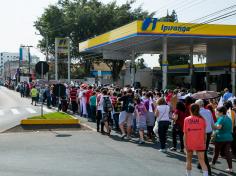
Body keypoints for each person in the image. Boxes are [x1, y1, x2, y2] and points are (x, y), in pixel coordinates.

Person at [184, 103, 208, 176]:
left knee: (189, 160)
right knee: (202, 161)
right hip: (200, 142)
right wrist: (204, 143)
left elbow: (185, 134)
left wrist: (185, 144)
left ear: (190, 110)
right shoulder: (202, 119)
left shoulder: (187, 119)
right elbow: (205, 134)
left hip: (189, 142)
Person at [211, 106, 233, 173]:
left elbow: (218, 127)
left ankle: (213, 164)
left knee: (216, 152)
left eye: (217, 111)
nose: (216, 112)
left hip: (220, 137)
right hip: (229, 137)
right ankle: (230, 168)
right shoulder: (229, 118)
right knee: (227, 153)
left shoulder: (221, 118)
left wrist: (212, 125)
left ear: (221, 112)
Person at [195, 99, 214, 175]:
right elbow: (212, 122)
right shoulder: (208, 111)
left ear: (198, 105)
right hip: (208, 132)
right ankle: (200, 164)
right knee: (203, 150)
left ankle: (208, 171)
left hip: (201, 133)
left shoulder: (197, 112)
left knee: (202, 151)